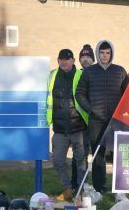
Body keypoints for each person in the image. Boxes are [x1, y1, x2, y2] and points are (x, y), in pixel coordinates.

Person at [75, 40, 129, 193]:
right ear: (97, 54)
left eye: (107, 53)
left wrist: (122, 111)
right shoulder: (89, 72)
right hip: (96, 120)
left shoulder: (119, 71)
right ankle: (100, 187)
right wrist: (90, 109)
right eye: (102, 53)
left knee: (119, 154)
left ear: (111, 54)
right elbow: (79, 93)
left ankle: (121, 188)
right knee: (98, 155)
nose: (105, 56)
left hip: (116, 120)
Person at [46, 49, 88, 202]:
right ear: (58, 61)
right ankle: (68, 189)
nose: (64, 62)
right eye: (61, 59)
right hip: (59, 129)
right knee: (57, 160)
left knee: (81, 161)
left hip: (78, 128)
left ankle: (82, 191)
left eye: (67, 59)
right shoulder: (51, 76)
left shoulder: (81, 76)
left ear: (73, 61)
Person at [71, 44, 94, 191]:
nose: (85, 60)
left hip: (96, 119)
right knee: (79, 154)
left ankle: (98, 185)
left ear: (93, 59)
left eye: (88, 57)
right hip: (80, 121)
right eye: (83, 57)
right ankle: (77, 184)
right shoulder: (76, 75)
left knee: (98, 155)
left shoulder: (97, 74)